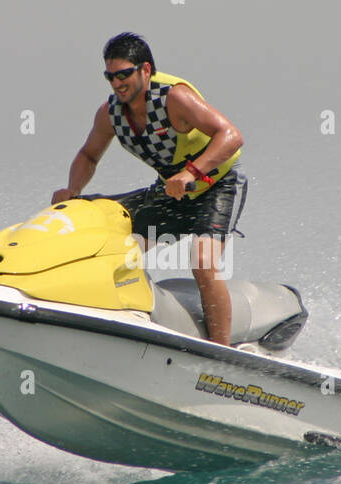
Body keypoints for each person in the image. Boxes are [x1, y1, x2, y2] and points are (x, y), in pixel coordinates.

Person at [52, 32, 247, 346]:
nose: (117, 83)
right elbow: (88, 155)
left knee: (202, 262)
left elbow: (231, 135)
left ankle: (222, 354)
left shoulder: (175, 98)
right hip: (172, 194)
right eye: (110, 76)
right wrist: (71, 190)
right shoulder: (110, 114)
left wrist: (191, 172)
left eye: (124, 74)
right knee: (112, 242)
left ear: (145, 70)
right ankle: (107, 319)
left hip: (217, 187)